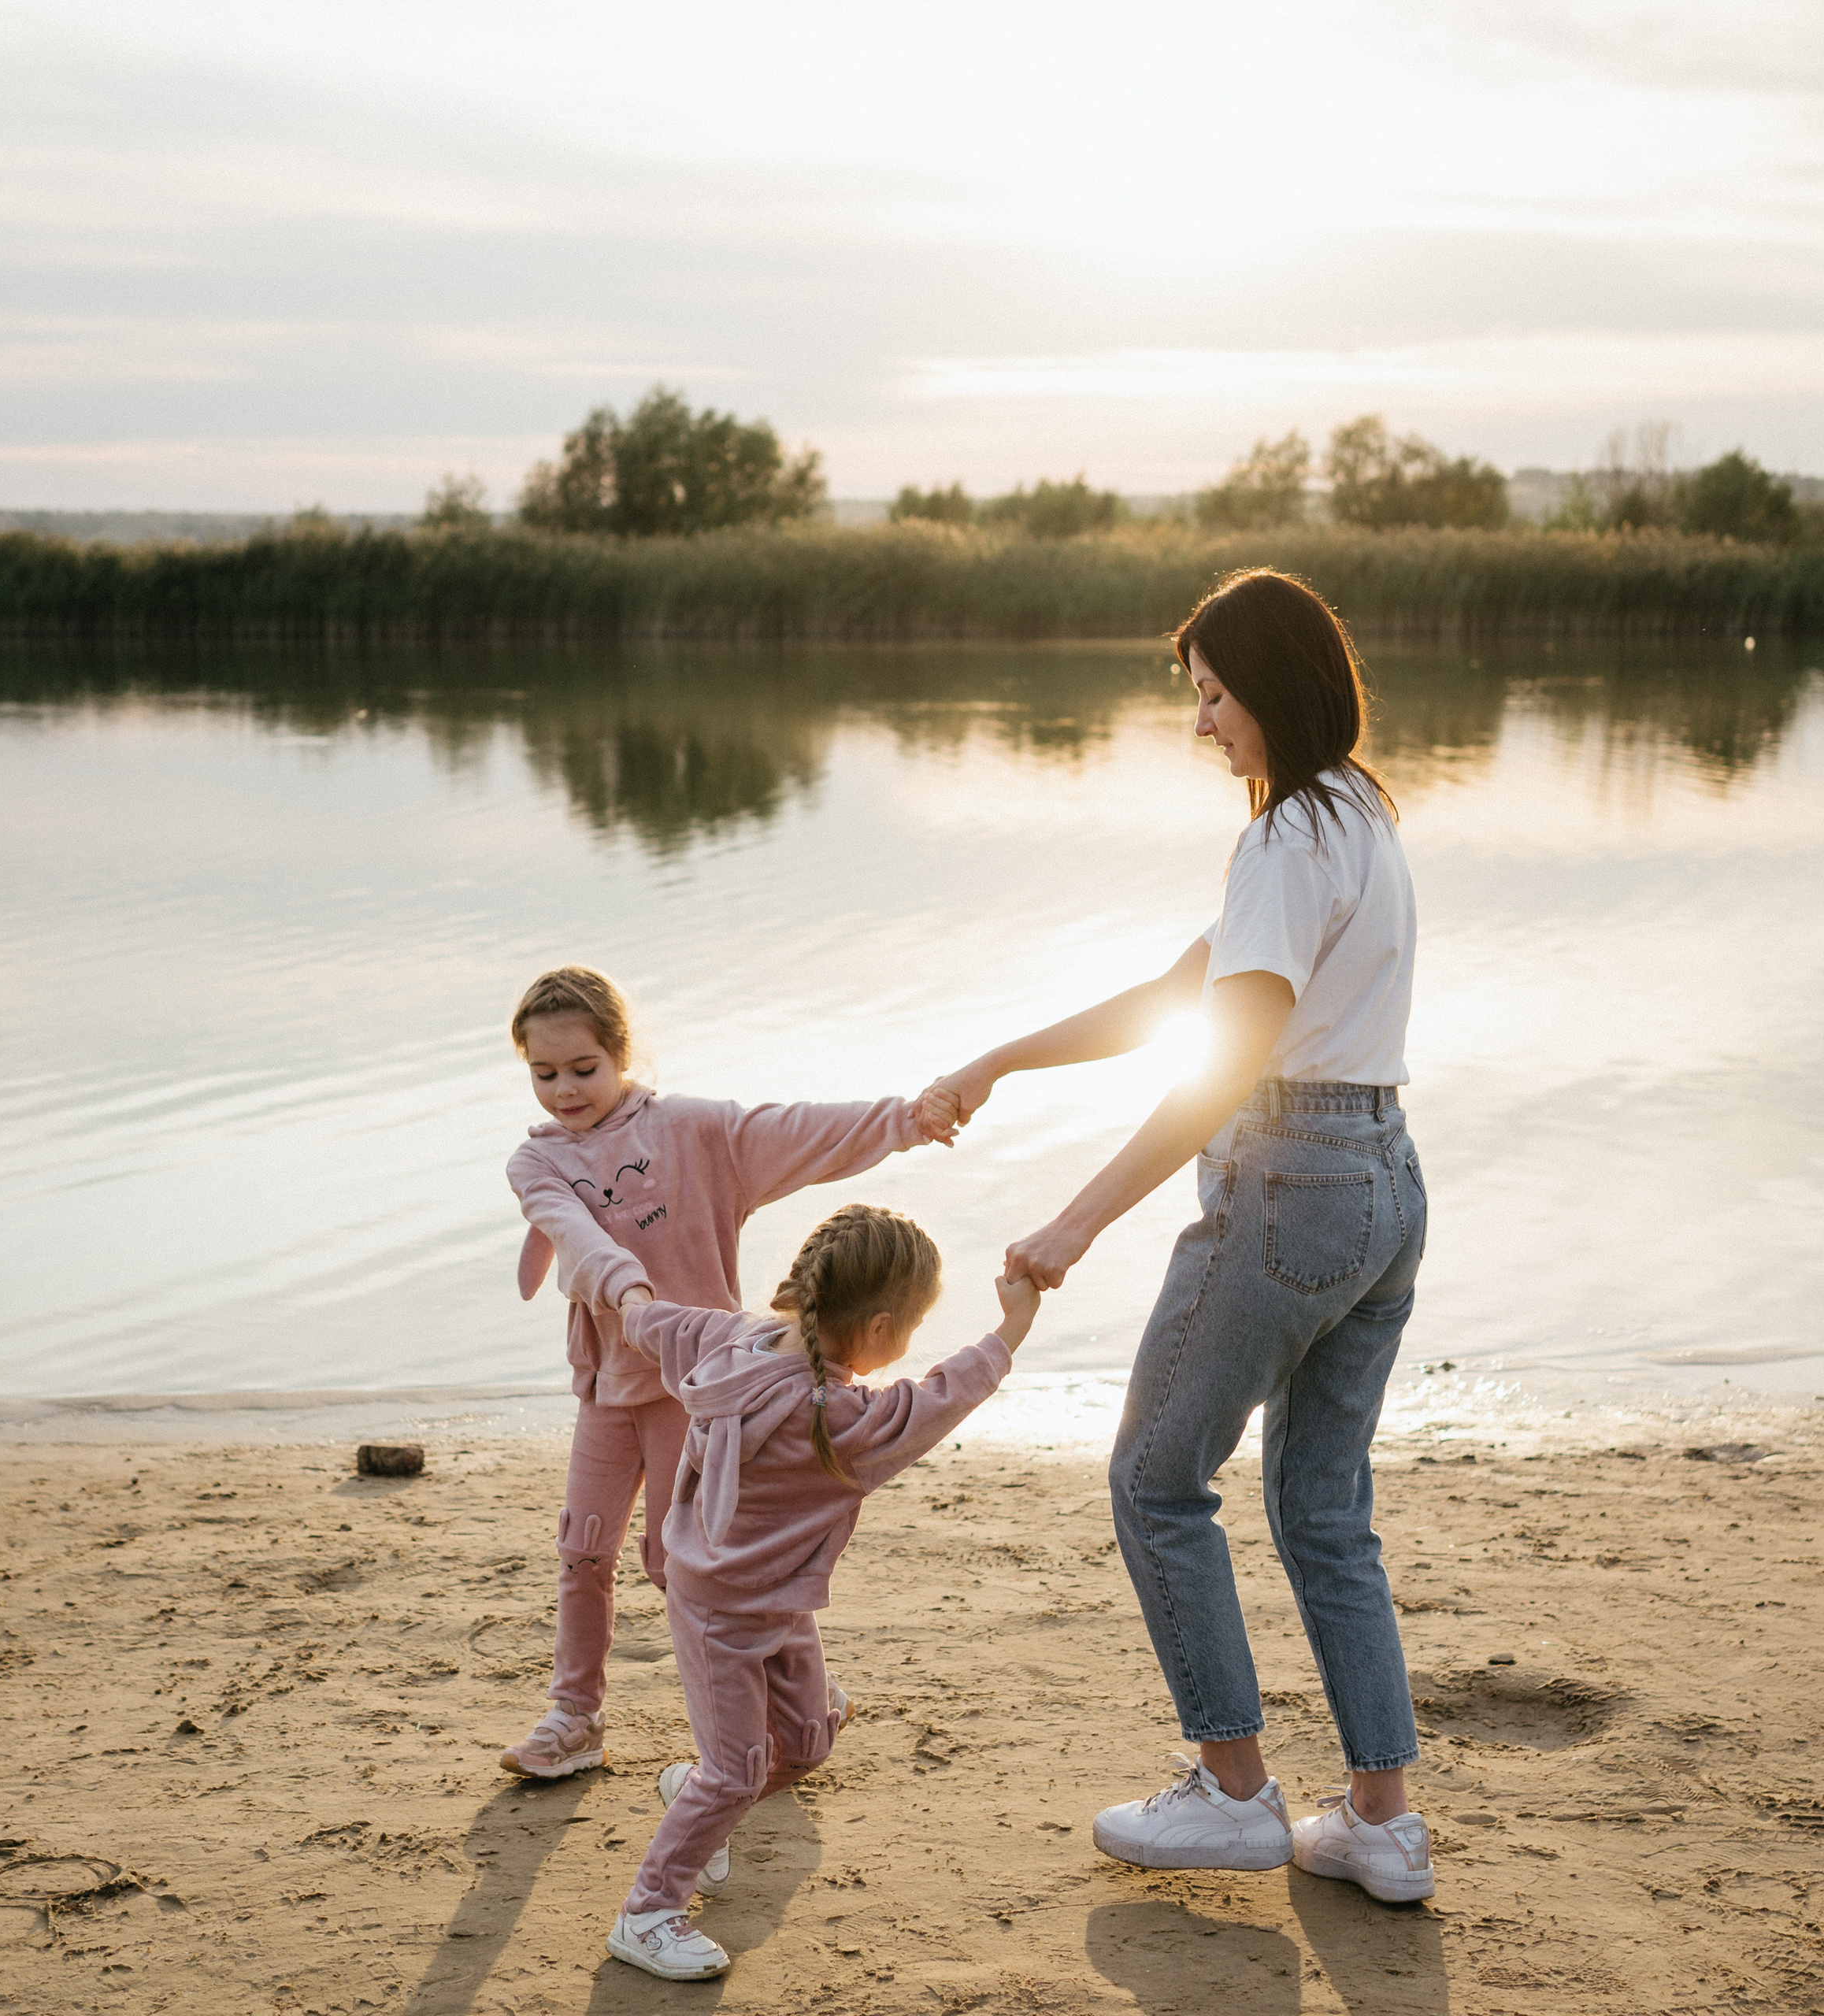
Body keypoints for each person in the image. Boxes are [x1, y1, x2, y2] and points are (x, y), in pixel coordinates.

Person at [920, 569, 1435, 1903]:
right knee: (1323, 1508)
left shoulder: (1280, 841)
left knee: (1156, 1480)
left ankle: (1233, 1791)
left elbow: (1227, 1059)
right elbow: (1176, 996)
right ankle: (1381, 1825)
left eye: (1214, 696)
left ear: (1271, 686)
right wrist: (1002, 1060)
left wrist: (1076, 1220)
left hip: (1288, 1178)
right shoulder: (1361, 816)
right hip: (1387, 1182)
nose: (1204, 725)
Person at [501, 966, 950, 1780]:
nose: (564, 1089)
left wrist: (905, 1120)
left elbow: (794, 1131)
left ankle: (805, 1698)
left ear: (621, 1053)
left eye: (582, 1069)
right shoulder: (534, 1165)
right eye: (543, 1074)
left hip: (702, 1389)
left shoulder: (692, 1132)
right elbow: (573, 1229)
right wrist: (628, 1291)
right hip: (610, 1384)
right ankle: (576, 1714)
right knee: (583, 1548)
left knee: (696, 1562)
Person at [605, 1203, 1039, 1980]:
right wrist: (1010, 1329)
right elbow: (938, 1398)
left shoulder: (727, 1338)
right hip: (715, 1608)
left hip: (778, 1599)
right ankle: (648, 1909)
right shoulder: (834, 1420)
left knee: (806, 1744)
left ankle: (697, 1795)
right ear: (878, 1330)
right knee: (737, 1769)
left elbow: (654, 1324)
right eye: (908, 1327)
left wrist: (618, 1287)